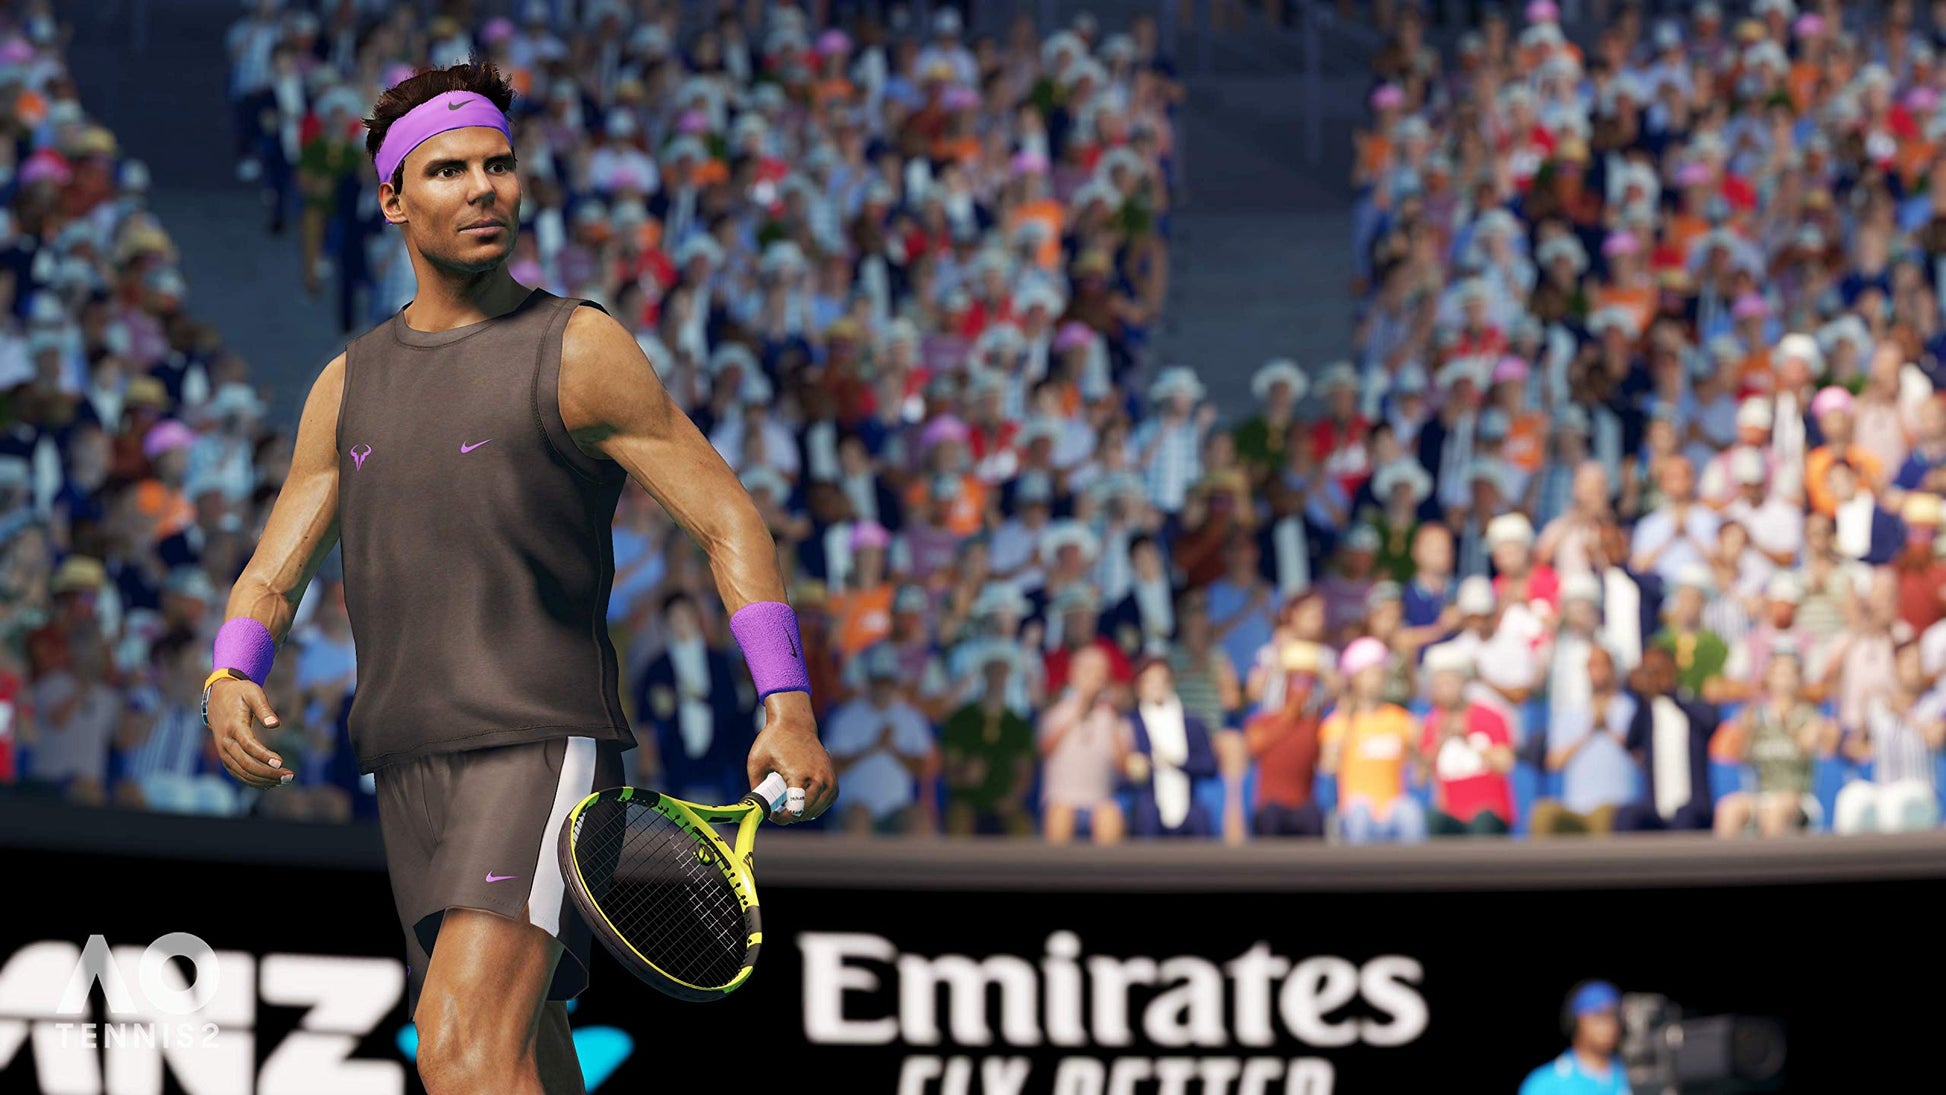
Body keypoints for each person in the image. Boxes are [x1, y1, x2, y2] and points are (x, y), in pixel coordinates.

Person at [197, 63, 835, 1095]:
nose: (483, 187)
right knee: (522, 1045)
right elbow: (273, 572)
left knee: (459, 1048)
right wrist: (231, 671)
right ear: (393, 200)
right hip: (408, 755)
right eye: (448, 170)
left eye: (497, 164)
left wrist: (786, 699)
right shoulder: (347, 381)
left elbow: (728, 516)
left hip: (538, 738)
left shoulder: (577, 347)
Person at [1713, 650, 1834, 838]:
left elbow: (1807, 747)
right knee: (1728, 808)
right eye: (1777, 673)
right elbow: (1740, 758)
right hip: (1762, 794)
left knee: (1774, 809)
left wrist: (1786, 721)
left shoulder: (1809, 715)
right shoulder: (1756, 716)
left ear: (1798, 679)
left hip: (1798, 797)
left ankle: (1771, 858)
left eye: (1787, 673)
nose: (1782, 680)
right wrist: (1746, 732)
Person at [824, 645, 938, 835]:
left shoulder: (911, 717)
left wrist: (892, 749)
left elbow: (923, 768)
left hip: (896, 809)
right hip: (853, 806)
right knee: (857, 820)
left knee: (919, 822)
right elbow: (832, 768)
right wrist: (872, 747)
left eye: (888, 683)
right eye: (878, 683)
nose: (883, 689)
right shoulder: (846, 717)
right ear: (869, 683)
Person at [1833, 640, 1945, 834]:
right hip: (1883, 789)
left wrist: (1904, 713)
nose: (1915, 670)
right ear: (1895, 668)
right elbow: (1857, 750)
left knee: (1894, 801)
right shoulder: (1878, 706)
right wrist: (1860, 709)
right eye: (1908, 664)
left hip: (1923, 792)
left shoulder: (1938, 702)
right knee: (1851, 797)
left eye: (1918, 663)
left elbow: (1935, 738)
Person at [1319, 637, 1424, 844]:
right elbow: (1328, 767)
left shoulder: (1401, 719)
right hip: (1354, 811)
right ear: (1355, 678)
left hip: (1393, 809)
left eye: (1379, 672)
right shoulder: (1339, 722)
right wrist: (1345, 727)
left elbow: (1420, 771)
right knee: (1360, 812)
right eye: (1369, 673)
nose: (1376, 679)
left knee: (1409, 811)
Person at [1532, 646, 1639, 837]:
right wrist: (1589, 732)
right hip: (1576, 808)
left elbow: (1641, 757)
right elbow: (1553, 762)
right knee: (1543, 814)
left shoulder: (1629, 709)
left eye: (1601, 665)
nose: (1597, 672)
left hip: (1615, 806)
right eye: (1591, 666)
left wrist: (1607, 728)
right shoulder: (1571, 713)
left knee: (1603, 816)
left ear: (1612, 669)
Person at [1038, 644, 1132, 844]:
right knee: (1060, 816)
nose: (1094, 678)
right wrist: (1078, 711)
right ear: (1073, 675)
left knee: (1110, 816)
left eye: (1100, 673)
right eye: (1088, 671)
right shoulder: (1056, 713)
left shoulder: (1115, 720)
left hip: (1100, 800)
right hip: (1061, 799)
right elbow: (1043, 750)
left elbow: (1124, 766)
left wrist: (1111, 720)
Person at [1417, 643, 1515, 836]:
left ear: (1463, 682)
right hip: (1452, 816)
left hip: (1489, 815)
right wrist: (1439, 743)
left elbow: (1505, 764)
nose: (1445, 689)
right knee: (1432, 820)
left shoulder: (1489, 716)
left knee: (1483, 821)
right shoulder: (1431, 723)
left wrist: (1468, 738)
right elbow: (1420, 778)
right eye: (1440, 683)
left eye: (1450, 682)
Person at [938, 648, 1036, 836]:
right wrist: (963, 773)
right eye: (993, 674)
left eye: (1003, 675)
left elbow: (1025, 772)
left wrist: (1012, 798)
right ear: (983, 677)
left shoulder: (1017, 724)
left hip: (1005, 805)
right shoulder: (961, 719)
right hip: (966, 803)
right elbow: (947, 770)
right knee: (958, 825)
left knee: (1022, 829)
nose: (998, 680)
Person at [1616, 647, 1715, 833]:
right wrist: (1642, 695)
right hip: (1657, 809)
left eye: (1657, 670)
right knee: (1626, 816)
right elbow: (1631, 742)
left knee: (1684, 816)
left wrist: (1670, 691)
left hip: (1693, 808)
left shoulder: (1689, 704)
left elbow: (1709, 722)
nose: (1653, 676)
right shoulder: (1648, 712)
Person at [1124, 657, 1218, 838]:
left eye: (1162, 680)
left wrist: (1177, 763)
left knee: (1200, 817)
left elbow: (1209, 766)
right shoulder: (1130, 724)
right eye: (1150, 681)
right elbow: (1120, 772)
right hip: (1148, 803)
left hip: (1188, 802)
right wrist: (1137, 768)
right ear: (1139, 687)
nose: (1157, 686)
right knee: (1146, 813)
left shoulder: (1192, 724)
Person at [1519, 981, 1632, 1095]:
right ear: (1576, 1021)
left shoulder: (1631, 1074)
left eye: (1615, 1016)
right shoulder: (1545, 1083)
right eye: (1600, 1015)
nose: (1610, 1024)